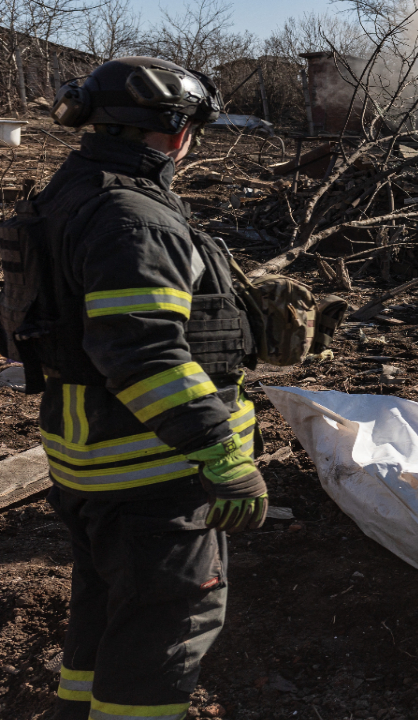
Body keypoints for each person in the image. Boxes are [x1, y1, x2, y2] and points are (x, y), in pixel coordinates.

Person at [22, 57, 266, 720]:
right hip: (151, 473)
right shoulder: (134, 216)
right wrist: (221, 452)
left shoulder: (73, 193)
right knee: (166, 631)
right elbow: (144, 352)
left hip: (93, 464)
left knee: (107, 614)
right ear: (175, 131)